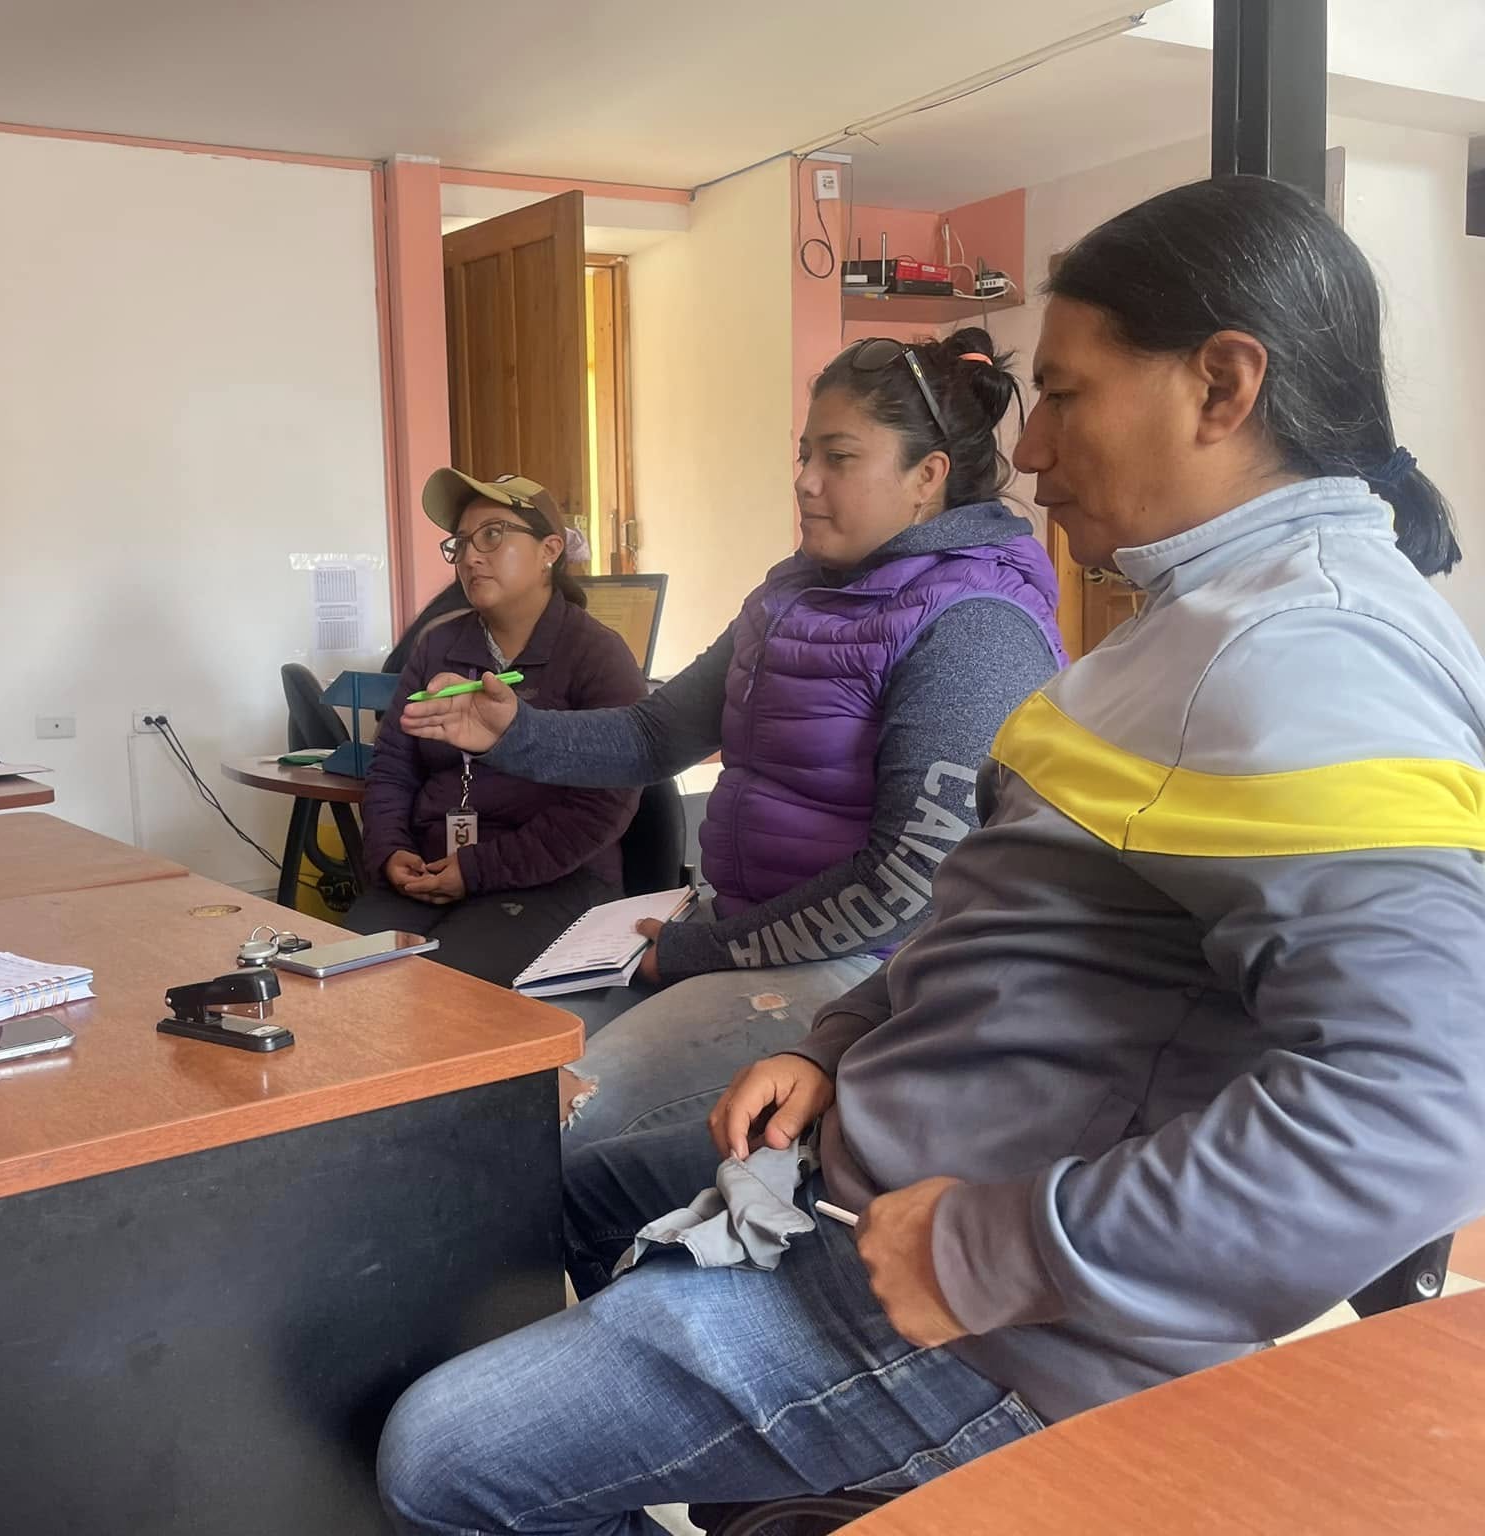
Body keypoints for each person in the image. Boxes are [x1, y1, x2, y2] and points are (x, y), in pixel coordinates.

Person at [377, 175, 1485, 1535]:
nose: (1034, 452)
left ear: (1221, 386)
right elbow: (994, 915)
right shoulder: (1189, 618)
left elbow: (1421, 1108)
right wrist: (839, 1045)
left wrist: (986, 1250)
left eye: (1063, 397)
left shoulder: (1304, 653)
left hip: (987, 1313)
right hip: (877, 1165)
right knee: (577, 1185)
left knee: (440, 1458)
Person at [401, 328, 1065, 1148]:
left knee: (539, 1127)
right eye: (804, 454)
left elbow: (905, 885)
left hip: (866, 973)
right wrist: (515, 732)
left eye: (838, 457)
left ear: (926, 476)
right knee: (488, 1065)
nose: (805, 480)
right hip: (743, 932)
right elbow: (656, 735)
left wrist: (702, 951)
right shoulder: (790, 593)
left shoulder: (975, 626)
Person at [347, 471, 646, 986]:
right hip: (430, 870)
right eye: (461, 543)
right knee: (340, 982)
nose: (469, 557)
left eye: (492, 535)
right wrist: (391, 851)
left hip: (552, 879)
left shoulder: (596, 654)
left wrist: (477, 870)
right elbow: (393, 767)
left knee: (441, 991)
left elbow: (603, 806)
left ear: (550, 550)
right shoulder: (438, 647)